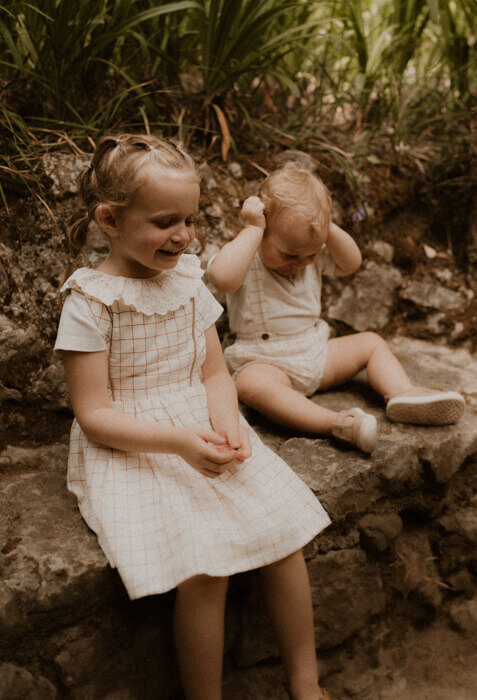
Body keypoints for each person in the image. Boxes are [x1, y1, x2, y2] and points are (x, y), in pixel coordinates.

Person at [54, 135, 333, 700]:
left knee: (282, 533)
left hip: (199, 420)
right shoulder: (91, 300)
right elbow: (93, 414)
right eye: (163, 222)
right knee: (204, 568)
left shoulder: (186, 281)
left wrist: (228, 421)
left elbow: (212, 374)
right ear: (110, 219)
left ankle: (306, 684)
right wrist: (179, 442)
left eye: (189, 218)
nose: (182, 235)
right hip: (132, 442)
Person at [208, 164, 465, 454]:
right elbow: (222, 278)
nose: (302, 262)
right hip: (266, 361)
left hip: (316, 352)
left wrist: (326, 226)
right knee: (249, 384)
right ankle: (338, 423)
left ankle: (402, 393)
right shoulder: (248, 253)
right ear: (264, 226)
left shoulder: (309, 253)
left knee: (371, 343)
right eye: (289, 254)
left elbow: (350, 263)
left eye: (311, 254)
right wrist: (252, 229)